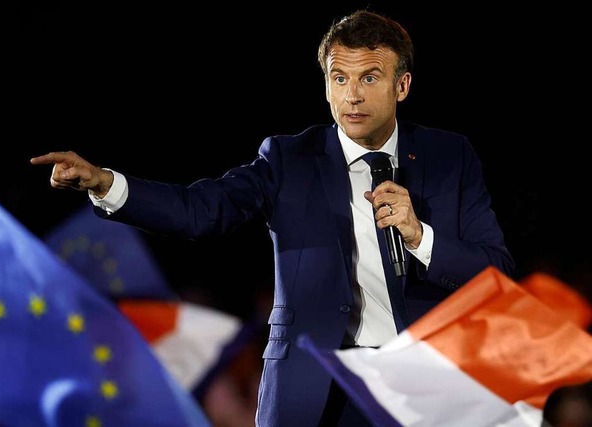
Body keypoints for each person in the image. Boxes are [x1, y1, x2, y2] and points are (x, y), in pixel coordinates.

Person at [30, 9, 515, 427]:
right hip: (315, 392)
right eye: (339, 78)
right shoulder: (289, 159)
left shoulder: (450, 157)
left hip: (421, 391)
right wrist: (104, 184)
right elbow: (201, 211)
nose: (352, 96)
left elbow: (496, 273)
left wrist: (419, 236)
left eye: (369, 77)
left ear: (402, 85)